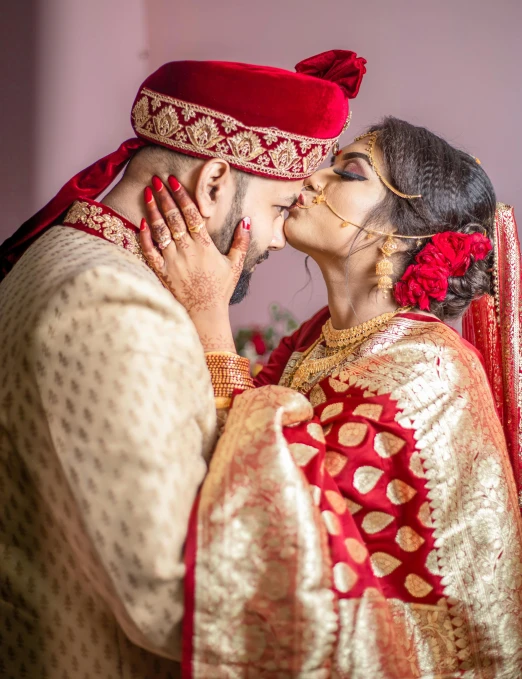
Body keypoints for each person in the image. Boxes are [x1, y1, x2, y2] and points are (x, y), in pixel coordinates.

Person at [0, 50, 367, 678]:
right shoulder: (112, 307)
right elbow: (171, 598)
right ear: (215, 183)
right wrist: (357, 611)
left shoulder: (72, 252)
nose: (280, 239)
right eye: (280, 209)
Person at [141, 116, 522, 677]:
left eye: (349, 172)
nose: (312, 179)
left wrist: (211, 321)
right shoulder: (316, 340)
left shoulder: (430, 367)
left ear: (403, 236)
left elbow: (304, 524)